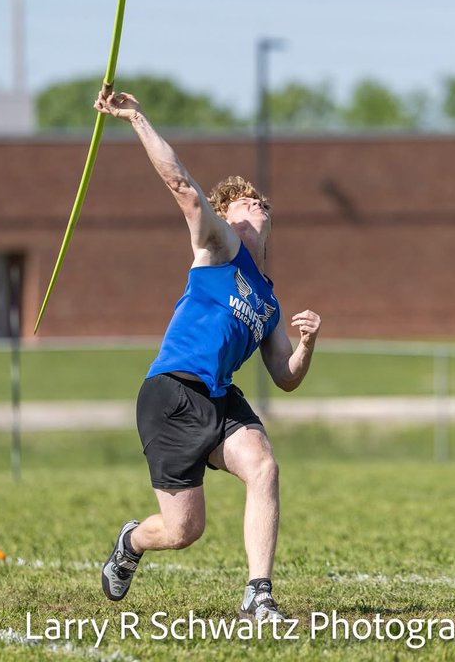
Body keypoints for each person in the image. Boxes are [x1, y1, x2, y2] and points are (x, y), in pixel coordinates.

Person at [93, 87, 322, 621]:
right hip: (170, 393)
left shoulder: (266, 299)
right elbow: (184, 188)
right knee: (182, 531)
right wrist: (137, 118)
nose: (252, 206)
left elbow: (286, 376)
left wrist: (307, 343)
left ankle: (258, 595)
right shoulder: (220, 248)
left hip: (217, 397)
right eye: (240, 202)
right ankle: (132, 541)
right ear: (224, 218)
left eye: (257, 201)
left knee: (264, 466)